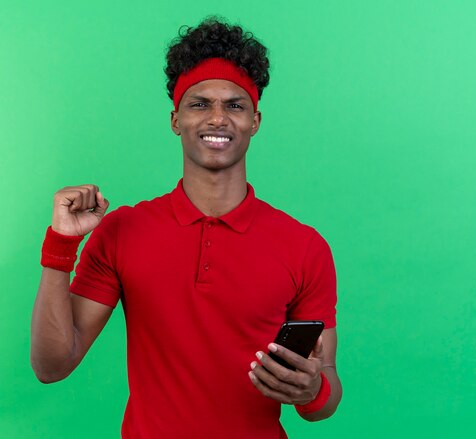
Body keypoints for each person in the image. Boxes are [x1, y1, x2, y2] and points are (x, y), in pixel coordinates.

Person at [31, 17, 342, 438]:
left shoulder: (304, 247)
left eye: (235, 105)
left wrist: (311, 390)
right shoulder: (123, 230)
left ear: (255, 121)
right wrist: (60, 247)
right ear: (176, 119)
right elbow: (52, 366)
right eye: (200, 104)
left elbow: (325, 393)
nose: (218, 118)